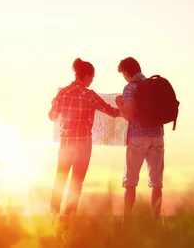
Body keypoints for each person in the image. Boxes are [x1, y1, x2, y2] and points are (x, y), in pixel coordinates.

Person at [48, 57, 120, 223]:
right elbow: (112, 112)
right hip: (83, 145)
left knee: (60, 178)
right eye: (92, 76)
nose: (92, 80)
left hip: (65, 144)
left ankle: (53, 216)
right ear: (86, 75)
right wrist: (123, 106)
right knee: (76, 182)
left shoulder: (63, 92)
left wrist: (53, 104)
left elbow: (52, 116)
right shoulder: (90, 95)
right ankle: (68, 217)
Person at [116, 57, 165, 220]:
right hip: (157, 135)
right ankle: (155, 223)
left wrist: (119, 104)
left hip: (137, 137)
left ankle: (127, 223)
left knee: (130, 183)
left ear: (125, 72)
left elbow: (128, 114)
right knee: (156, 183)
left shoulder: (130, 88)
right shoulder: (154, 85)